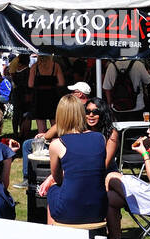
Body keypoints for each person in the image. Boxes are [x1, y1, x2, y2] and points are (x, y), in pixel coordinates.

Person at [36, 94, 108, 225]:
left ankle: (53, 238)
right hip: (99, 208)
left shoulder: (57, 144)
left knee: (52, 190)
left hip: (70, 211)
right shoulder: (100, 138)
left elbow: (57, 179)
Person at [102, 55, 150, 119]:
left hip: (117, 107)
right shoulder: (138, 64)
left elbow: (107, 88)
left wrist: (109, 104)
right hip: (137, 106)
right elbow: (148, 81)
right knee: (137, 128)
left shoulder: (111, 66)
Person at [28, 52, 66, 134]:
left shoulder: (35, 67)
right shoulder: (56, 66)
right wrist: (53, 84)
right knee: (55, 125)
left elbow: (30, 84)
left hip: (39, 97)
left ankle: (42, 145)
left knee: (41, 129)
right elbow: (62, 83)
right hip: (52, 96)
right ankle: (56, 144)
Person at [83, 97, 120, 171]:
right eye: (87, 111)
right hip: (84, 171)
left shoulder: (111, 134)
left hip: (105, 173)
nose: (91, 115)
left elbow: (105, 164)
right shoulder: (81, 130)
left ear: (103, 113)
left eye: (95, 112)